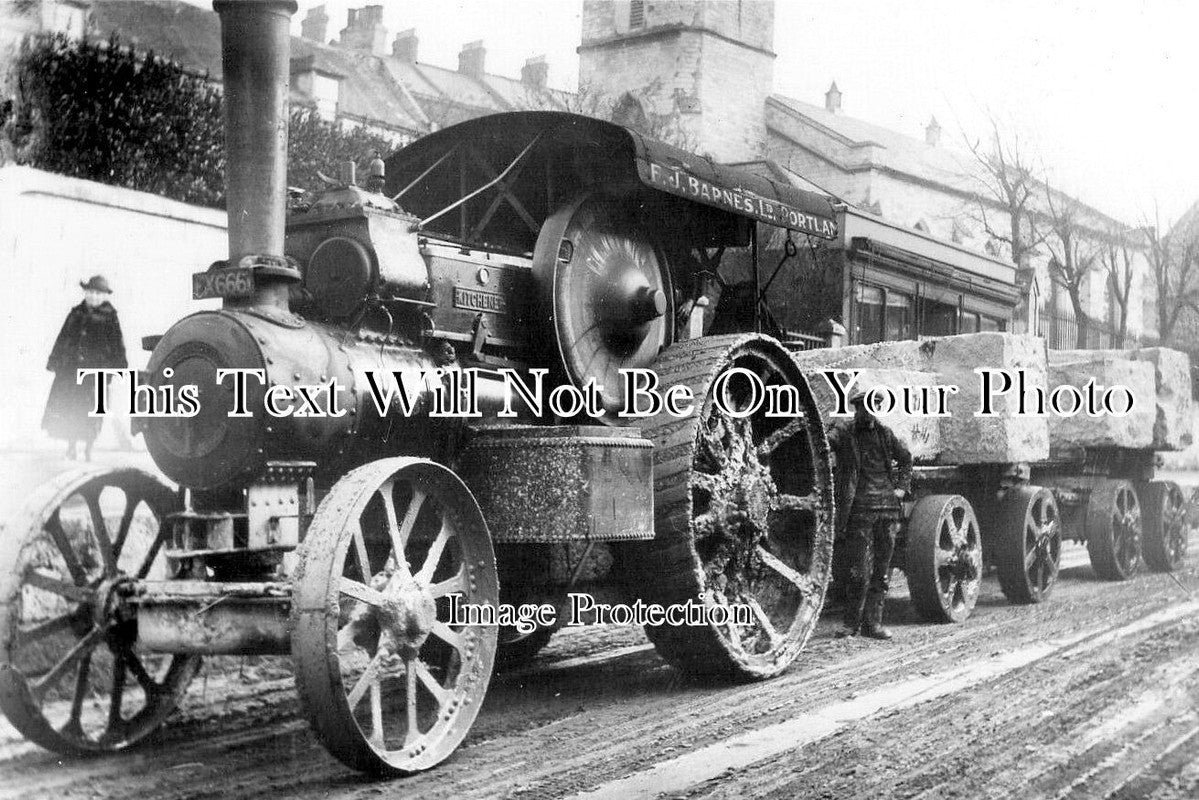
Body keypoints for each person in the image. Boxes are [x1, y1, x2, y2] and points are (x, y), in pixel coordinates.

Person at [826, 387, 913, 640]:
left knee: (881, 571)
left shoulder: (885, 434)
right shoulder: (844, 432)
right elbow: (824, 443)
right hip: (859, 511)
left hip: (887, 510)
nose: (870, 412)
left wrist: (901, 489)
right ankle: (851, 624)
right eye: (866, 407)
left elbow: (906, 459)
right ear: (857, 409)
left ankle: (873, 624)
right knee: (858, 572)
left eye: (875, 406)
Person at [42, 275, 127, 460]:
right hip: (71, 372)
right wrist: (55, 360)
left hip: (95, 373)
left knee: (91, 410)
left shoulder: (110, 318)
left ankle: (88, 448)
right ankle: (71, 446)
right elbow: (62, 337)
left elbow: (117, 345)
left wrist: (118, 368)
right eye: (90, 292)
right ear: (85, 293)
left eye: (98, 293)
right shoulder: (75, 313)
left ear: (104, 296)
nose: (93, 296)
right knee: (71, 408)